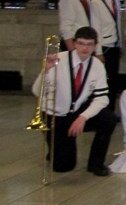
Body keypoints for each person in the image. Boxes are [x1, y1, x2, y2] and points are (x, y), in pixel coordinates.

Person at [32, 26, 116, 176]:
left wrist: (83, 117)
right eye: (81, 43)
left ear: (95, 46)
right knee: (63, 166)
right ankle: (54, 147)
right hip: (56, 115)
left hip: (77, 110)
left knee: (108, 119)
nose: (85, 48)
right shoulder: (58, 60)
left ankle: (96, 164)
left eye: (89, 44)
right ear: (75, 44)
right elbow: (36, 91)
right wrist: (45, 71)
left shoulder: (97, 65)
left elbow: (102, 98)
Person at [90, 0, 122, 108]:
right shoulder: (96, 2)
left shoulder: (115, 0)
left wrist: (120, 44)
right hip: (105, 46)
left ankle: (111, 109)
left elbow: (118, 24)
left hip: (115, 44)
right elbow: (95, 26)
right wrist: (98, 51)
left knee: (113, 80)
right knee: (104, 80)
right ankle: (102, 109)